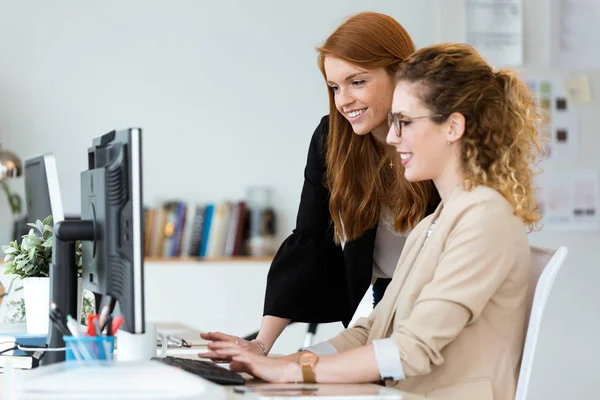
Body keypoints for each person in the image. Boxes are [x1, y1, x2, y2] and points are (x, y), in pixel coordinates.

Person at [204, 43, 543, 400]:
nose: (393, 137)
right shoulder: (440, 219)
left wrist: (291, 370)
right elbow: (373, 330)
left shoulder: (484, 217)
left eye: (405, 122)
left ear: (452, 127)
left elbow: (411, 350)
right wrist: (285, 361)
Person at [201, 11, 440, 358]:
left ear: (401, 73)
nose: (343, 100)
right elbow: (311, 239)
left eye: (357, 82)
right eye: (334, 87)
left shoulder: (435, 141)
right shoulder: (333, 139)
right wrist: (261, 344)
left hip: (437, 303)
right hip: (382, 307)